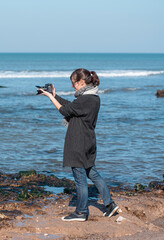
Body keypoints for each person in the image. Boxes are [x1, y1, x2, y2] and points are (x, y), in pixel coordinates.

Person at [38, 68, 119, 222]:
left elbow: (64, 110)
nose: (73, 86)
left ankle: (81, 212)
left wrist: (49, 96)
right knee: (92, 173)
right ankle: (109, 205)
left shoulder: (85, 100)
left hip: (79, 143)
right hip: (88, 142)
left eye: (74, 83)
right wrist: (55, 95)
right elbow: (71, 107)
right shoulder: (92, 98)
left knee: (80, 179)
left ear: (81, 82)